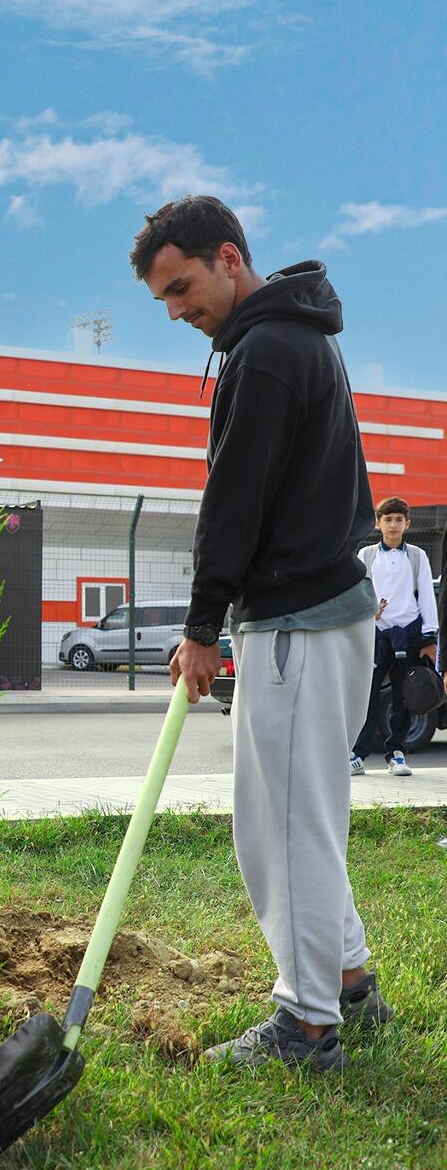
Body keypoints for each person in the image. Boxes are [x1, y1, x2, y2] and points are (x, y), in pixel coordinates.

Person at [130, 196, 393, 1071]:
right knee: (304, 818)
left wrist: (203, 626)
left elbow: (233, 502)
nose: (176, 310)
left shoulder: (268, 354)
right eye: (164, 299)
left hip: (297, 625)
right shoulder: (296, 338)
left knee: (279, 830)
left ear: (229, 258)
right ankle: (349, 981)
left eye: (182, 286)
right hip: (323, 618)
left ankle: (308, 1025)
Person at [350, 497, 438, 777]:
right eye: (388, 519)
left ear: (407, 524)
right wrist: (369, 613)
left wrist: (429, 639)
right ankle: (358, 754)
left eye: (399, 519)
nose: (393, 524)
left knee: (404, 696)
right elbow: (357, 593)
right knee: (367, 696)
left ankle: (397, 754)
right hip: (375, 635)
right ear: (378, 523)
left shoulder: (416, 556)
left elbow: (426, 595)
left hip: (408, 635)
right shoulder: (366, 556)